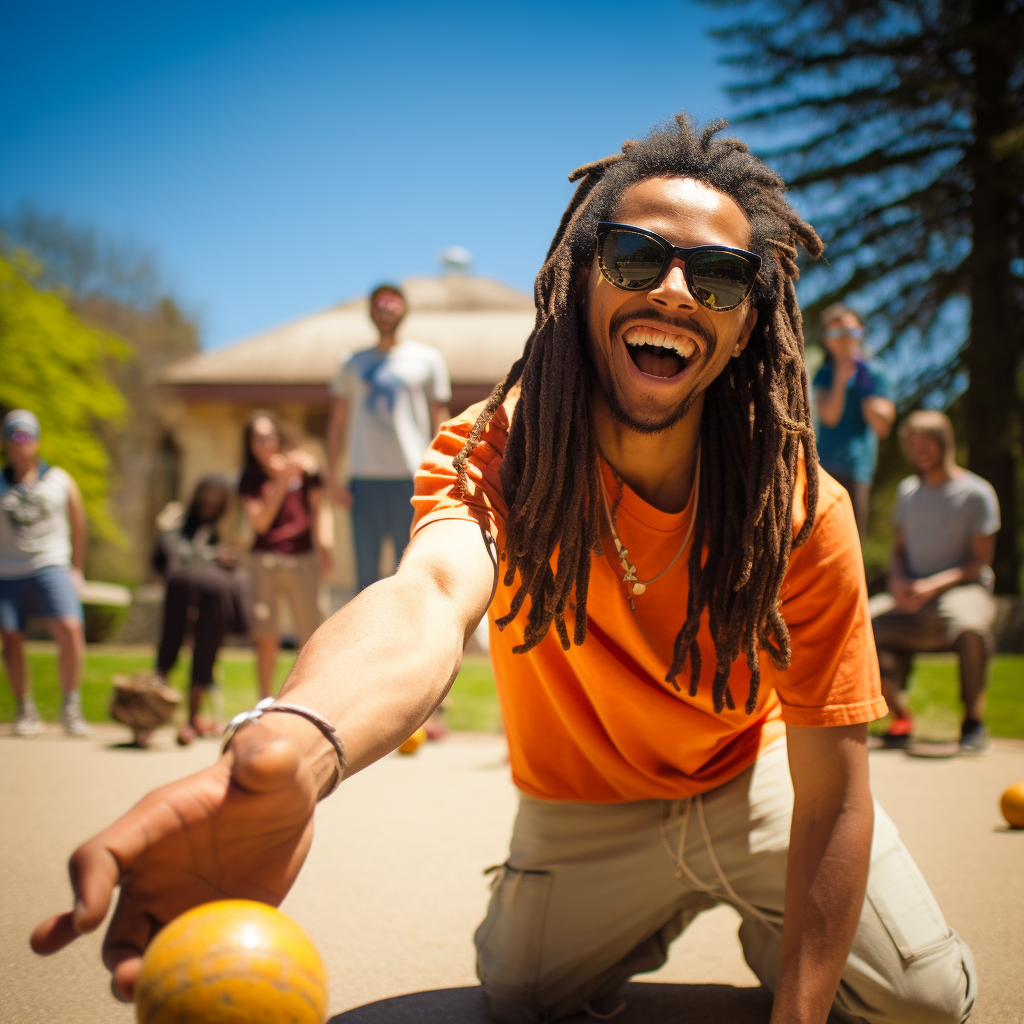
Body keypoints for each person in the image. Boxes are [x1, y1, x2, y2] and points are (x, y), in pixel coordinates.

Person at [31, 117, 974, 1024]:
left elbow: (838, 791)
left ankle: (785, 939)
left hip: (752, 781)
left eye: (720, 279)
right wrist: (299, 746)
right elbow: (431, 597)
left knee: (924, 1005)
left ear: (744, 328)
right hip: (583, 810)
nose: (678, 293)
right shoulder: (500, 451)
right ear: (579, 281)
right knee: (520, 1000)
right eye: (637, 257)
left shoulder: (801, 508)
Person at [871, 410, 1000, 755]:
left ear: (944, 443)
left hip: (961, 590)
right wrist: (898, 582)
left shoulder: (976, 493)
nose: (919, 450)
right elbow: (897, 549)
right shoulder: (908, 492)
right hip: (910, 591)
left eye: (926, 442)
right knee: (855, 624)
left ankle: (973, 722)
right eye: (912, 444)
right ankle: (901, 716)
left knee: (970, 627)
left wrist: (932, 587)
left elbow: (979, 561)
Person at [326, 284, 451, 592]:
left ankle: (408, 640)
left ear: (403, 309)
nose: (386, 310)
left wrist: (444, 472)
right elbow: (338, 422)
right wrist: (332, 477)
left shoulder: (427, 358)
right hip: (363, 479)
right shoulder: (351, 363)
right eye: (379, 304)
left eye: (392, 303)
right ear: (371, 311)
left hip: (411, 477)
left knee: (408, 570)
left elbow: (440, 418)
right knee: (365, 573)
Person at [1, 409, 90, 737]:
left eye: (25, 435)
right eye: (13, 435)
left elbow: (79, 523)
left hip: (51, 564)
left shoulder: (60, 479)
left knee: (69, 628)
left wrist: (77, 568)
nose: (19, 442)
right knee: (11, 637)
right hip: (8, 570)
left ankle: (71, 706)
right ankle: (24, 710)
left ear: (36, 440)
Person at [150, 476, 250, 745]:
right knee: (169, 647)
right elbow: (164, 560)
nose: (209, 502)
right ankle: (148, 714)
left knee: (205, 652)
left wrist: (225, 559)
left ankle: (192, 718)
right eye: (205, 496)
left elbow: (234, 562)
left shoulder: (224, 529)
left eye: (215, 497)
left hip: (212, 598)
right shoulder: (176, 523)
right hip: (181, 591)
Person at [238, 411, 331, 699]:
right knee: (266, 634)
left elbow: (319, 508)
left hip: (303, 558)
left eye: (268, 436)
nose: (264, 443)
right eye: (257, 438)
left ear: (278, 437)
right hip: (264, 560)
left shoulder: (304, 470)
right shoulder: (250, 480)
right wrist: (280, 481)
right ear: (250, 444)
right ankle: (265, 700)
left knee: (311, 633)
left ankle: (310, 698)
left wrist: (325, 546)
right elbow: (260, 523)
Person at [812, 304, 896, 537]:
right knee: (819, 536)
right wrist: (840, 377)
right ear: (826, 339)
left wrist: (863, 380)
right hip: (823, 467)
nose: (843, 340)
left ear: (860, 332)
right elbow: (829, 417)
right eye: (834, 333)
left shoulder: (876, 372)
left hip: (857, 469)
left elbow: (882, 426)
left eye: (849, 332)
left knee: (851, 538)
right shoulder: (825, 373)